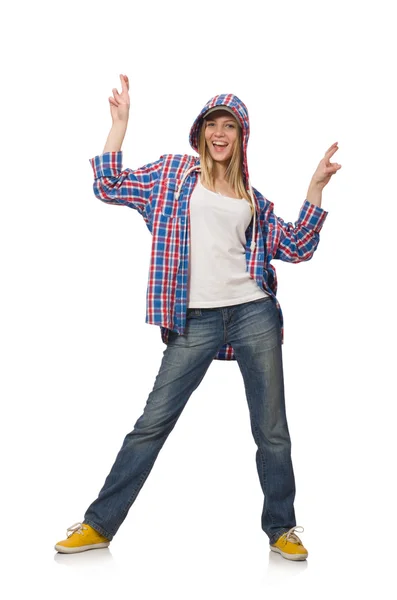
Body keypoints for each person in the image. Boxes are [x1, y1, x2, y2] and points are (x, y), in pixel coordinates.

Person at [55, 74, 341, 560]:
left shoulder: (253, 200)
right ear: (201, 132)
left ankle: (282, 528)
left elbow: (298, 245)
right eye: (213, 124)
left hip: (254, 314)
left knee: (271, 428)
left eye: (230, 125)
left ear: (241, 136)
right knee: (151, 423)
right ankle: (99, 523)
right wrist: (120, 125)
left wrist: (314, 189)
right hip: (195, 320)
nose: (220, 133)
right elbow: (108, 185)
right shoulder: (172, 174)